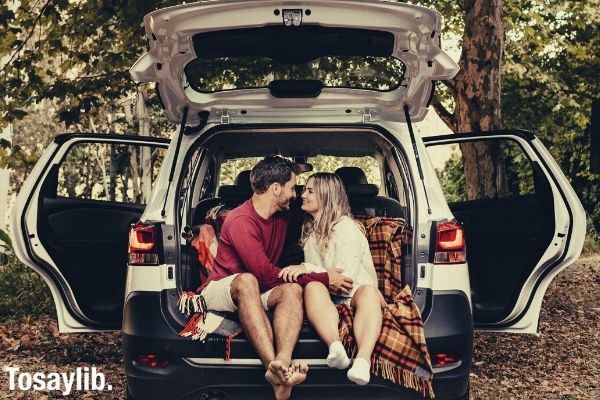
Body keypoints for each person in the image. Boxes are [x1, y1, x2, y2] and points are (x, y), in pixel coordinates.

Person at [198, 157, 354, 400]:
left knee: (292, 289)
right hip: (223, 288)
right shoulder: (240, 221)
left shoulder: (284, 216)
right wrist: (323, 278)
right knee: (247, 280)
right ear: (275, 189)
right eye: (293, 188)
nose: (296, 195)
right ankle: (274, 371)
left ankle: (282, 363)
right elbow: (265, 276)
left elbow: (323, 214)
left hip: (257, 289)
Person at [279, 172, 385, 386]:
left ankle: (362, 362)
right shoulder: (310, 230)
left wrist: (305, 268)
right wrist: (312, 275)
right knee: (313, 287)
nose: (302, 195)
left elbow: (344, 281)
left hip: (355, 294)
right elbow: (326, 279)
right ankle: (336, 348)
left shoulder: (347, 228)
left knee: (369, 293)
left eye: (310, 191)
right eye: (303, 190)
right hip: (327, 298)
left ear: (326, 196)